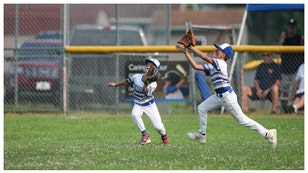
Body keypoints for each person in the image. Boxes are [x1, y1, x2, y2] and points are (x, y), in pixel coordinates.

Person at [176, 43, 277, 149]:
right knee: (202, 108)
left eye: (219, 50)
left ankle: (268, 134)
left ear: (223, 55)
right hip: (218, 96)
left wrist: (191, 47)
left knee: (242, 120)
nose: (216, 51)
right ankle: (202, 135)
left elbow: (204, 57)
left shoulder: (220, 63)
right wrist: (186, 53)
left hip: (227, 97)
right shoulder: (214, 65)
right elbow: (196, 66)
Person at [107, 58, 168, 145]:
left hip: (149, 105)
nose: (148, 66)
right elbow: (127, 81)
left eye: (151, 65)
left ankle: (164, 135)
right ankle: (145, 135)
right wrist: (116, 84)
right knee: (134, 115)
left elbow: (143, 91)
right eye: (147, 64)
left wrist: (146, 82)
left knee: (158, 127)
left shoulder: (153, 84)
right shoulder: (137, 77)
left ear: (155, 70)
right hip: (138, 103)